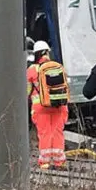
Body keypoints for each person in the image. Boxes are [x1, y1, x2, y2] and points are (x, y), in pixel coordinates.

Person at [27, 41, 69, 169]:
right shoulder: (58, 67)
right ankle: (59, 162)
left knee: (45, 133)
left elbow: (27, 91)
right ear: (47, 52)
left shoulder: (32, 70)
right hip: (59, 106)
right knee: (57, 132)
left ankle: (45, 163)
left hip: (41, 107)